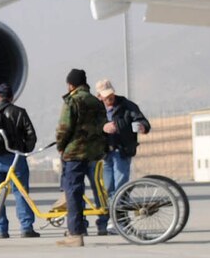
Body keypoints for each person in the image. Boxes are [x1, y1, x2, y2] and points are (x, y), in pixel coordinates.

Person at [0, 82, 40, 240]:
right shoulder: (19, 112)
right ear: (12, 97)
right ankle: (26, 228)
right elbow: (31, 135)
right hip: (15, 158)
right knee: (21, 193)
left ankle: (1, 230)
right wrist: (24, 150)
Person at [54, 68, 108, 247]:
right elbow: (103, 126)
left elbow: (64, 128)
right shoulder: (96, 101)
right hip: (94, 153)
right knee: (99, 189)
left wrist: (61, 146)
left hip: (75, 153)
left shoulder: (72, 101)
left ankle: (76, 233)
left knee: (73, 193)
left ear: (71, 84)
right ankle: (102, 223)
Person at [95, 80, 150, 202]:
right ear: (99, 97)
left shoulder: (127, 105)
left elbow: (142, 121)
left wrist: (143, 127)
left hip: (122, 151)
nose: (110, 97)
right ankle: (114, 211)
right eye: (106, 96)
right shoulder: (96, 110)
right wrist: (103, 128)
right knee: (108, 187)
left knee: (120, 187)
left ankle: (120, 212)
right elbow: (91, 128)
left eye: (111, 94)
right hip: (106, 153)